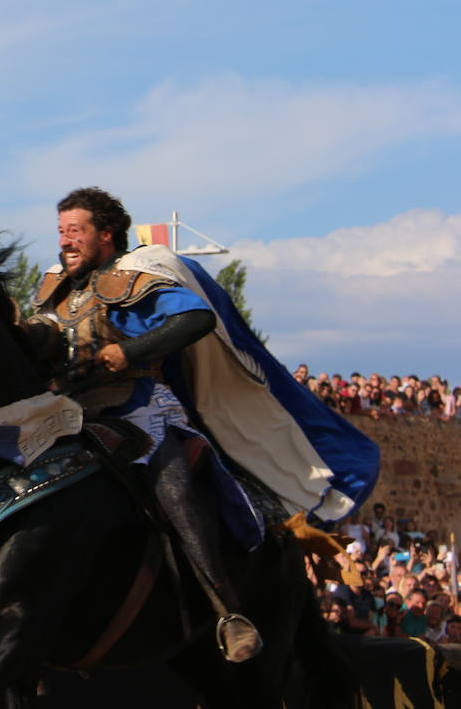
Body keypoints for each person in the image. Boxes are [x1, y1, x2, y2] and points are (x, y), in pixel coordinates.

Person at [27, 187, 378, 663]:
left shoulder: (136, 273)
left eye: (75, 231)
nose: (65, 241)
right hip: (69, 413)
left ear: (105, 234)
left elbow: (194, 318)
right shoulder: (55, 286)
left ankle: (228, 612)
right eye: (61, 232)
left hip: (139, 406)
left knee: (172, 486)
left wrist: (127, 351)